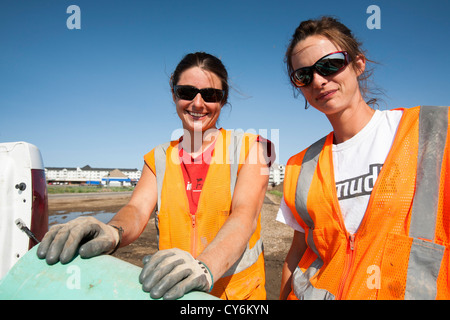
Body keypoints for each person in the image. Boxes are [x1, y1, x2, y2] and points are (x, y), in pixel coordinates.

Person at [37, 52, 273, 300]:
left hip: (237, 296)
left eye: (210, 95)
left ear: (223, 100)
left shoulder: (249, 148)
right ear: (174, 95)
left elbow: (245, 216)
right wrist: (112, 231)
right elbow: (137, 210)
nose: (198, 103)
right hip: (173, 292)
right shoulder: (158, 158)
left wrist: (204, 267)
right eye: (187, 92)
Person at [277, 16, 450, 300]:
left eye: (330, 64)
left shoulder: (433, 131)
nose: (319, 80)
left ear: (358, 64)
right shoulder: (300, 166)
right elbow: (297, 253)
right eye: (304, 75)